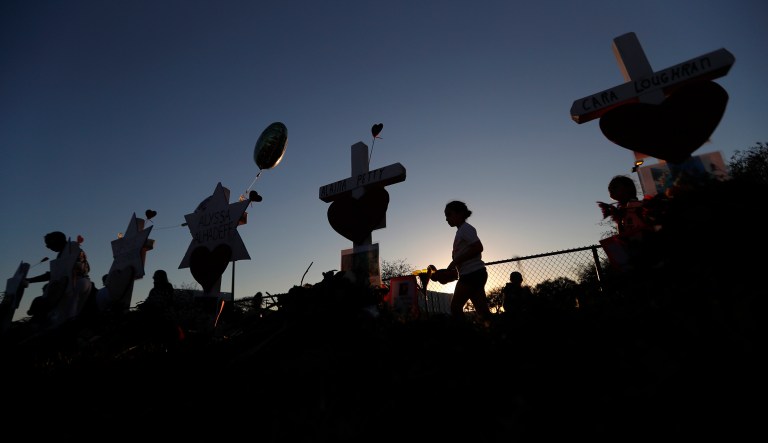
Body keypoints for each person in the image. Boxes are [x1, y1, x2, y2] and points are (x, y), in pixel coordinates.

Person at [25, 231, 92, 326]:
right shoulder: (65, 252)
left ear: (56, 241)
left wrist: (31, 280)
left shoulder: (71, 247)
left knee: (67, 317)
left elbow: (55, 274)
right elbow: (54, 274)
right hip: (78, 283)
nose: (49, 248)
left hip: (75, 284)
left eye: (48, 245)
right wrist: (30, 280)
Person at [443, 200, 492, 324]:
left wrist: (455, 262)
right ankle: (495, 333)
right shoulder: (461, 231)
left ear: (459, 213)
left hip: (472, 274)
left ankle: (466, 337)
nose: (446, 219)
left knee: (455, 307)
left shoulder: (465, 229)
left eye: (449, 214)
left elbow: (478, 247)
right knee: (482, 311)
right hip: (474, 273)